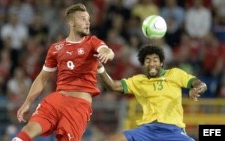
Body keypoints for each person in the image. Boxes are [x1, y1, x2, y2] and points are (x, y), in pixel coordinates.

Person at [11, 3, 114, 141]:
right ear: (71, 22)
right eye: (83, 19)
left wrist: (107, 53)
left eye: (88, 19)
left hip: (78, 105)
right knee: (29, 129)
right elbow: (42, 78)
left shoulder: (92, 42)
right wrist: (27, 102)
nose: (87, 22)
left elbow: (107, 51)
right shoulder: (56, 48)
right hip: (57, 99)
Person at [98, 44, 207, 141]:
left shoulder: (175, 74)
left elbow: (200, 84)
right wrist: (100, 68)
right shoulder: (139, 80)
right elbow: (112, 86)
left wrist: (197, 88)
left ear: (161, 62)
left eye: (155, 60)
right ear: (143, 64)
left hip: (173, 131)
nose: (151, 63)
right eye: (147, 60)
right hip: (147, 131)